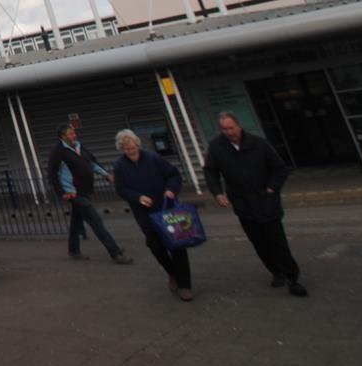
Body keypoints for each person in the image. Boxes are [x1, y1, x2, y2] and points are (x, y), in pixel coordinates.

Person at [203, 111, 308, 297]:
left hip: (266, 201)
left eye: (231, 128)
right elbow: (211, 172)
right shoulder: (217, 147)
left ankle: (292, 278)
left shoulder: (258, 143)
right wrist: (218, 193)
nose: (228, 132)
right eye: (224, 129)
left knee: (277, 241)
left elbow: (279, 169)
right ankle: (276, 272)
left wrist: (271, 189)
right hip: (242, 203)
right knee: (258, 241)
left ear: (239, 126)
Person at [113, 128, 193, 301]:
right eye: (126, 148)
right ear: (122, 149)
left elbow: (173, 175)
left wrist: (171, 190)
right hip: (144, 214)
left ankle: (185, 285)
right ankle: (171, 272)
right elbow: (121, 189)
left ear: (137, 143)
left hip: (166, 209)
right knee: (156, 246)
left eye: (132, 145)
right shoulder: (119, 166)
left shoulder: (152, 158)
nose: (130, 149)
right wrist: (138, 197)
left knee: (177, 245)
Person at [47, 123, 133, 264]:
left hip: (84, 189)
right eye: (71, 133)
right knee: (96, 221)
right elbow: (52, 174)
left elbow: (91, 163)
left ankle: (74, 250)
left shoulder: (79, 146)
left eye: (74, 132)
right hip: (73, 193)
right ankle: (115, 253)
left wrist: (106, 175)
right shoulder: (58, 152)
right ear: (63, 136)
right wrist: (62, 192)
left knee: (77, 221)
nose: (74, 135)